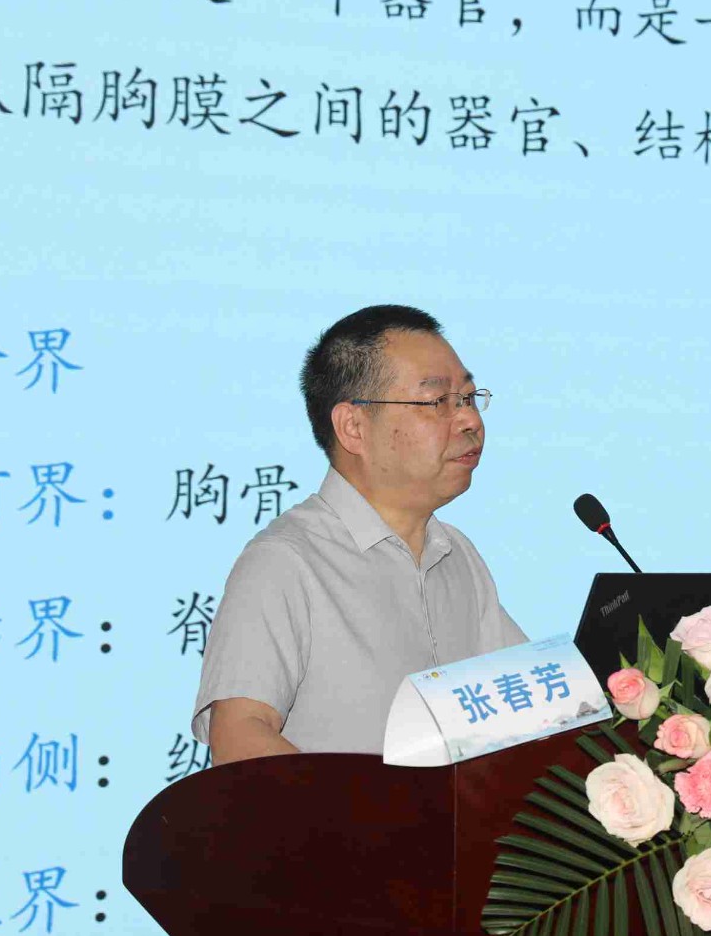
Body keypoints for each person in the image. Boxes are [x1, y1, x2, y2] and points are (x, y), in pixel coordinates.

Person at [192, 305, 525, 761]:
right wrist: (360, 807)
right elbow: (239, 737)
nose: (470, 421)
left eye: (468, 398)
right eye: (438, 402)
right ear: (353, 427)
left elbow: (532, 708)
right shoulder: (286, 561)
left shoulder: (457, 555)